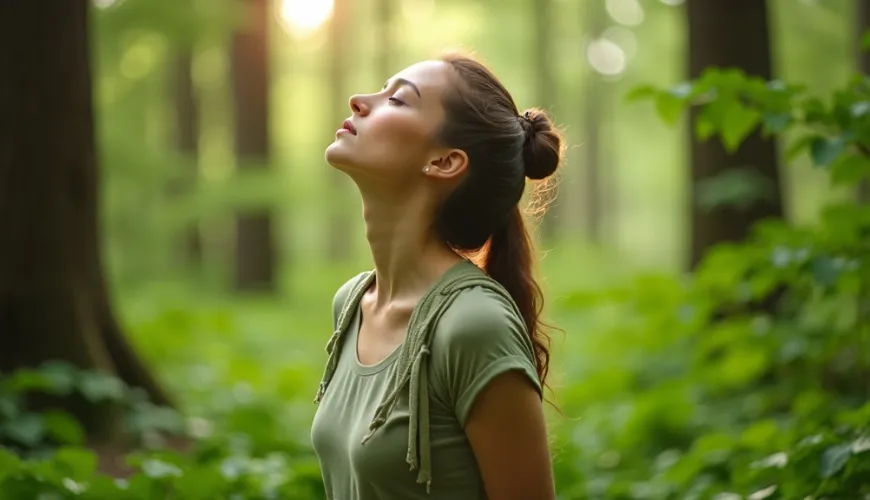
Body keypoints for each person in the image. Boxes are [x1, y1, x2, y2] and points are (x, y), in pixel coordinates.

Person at [310, 52, 561, 500]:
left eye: (398, 100)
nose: (359, 101)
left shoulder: (473, 325)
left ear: (445, 162)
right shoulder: (352, 304)